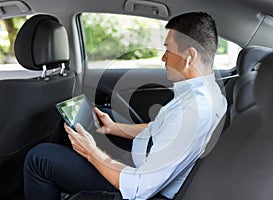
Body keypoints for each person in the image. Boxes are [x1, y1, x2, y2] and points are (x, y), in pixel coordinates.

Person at [23, 11, 227, 200]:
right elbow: (160, 129)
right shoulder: (208, 92)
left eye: (168, 50)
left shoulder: (192, 113)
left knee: (39, 158)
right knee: (98, 116)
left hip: (136, 187)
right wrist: (113, 127)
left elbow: (139, 187)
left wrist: (91, 152)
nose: (163, 58)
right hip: (147, 159)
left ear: (189, 57)